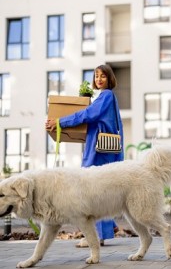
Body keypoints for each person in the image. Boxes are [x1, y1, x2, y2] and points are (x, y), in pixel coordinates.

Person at [45, 64, 124, 247]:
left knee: (94, 191)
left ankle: (98, 236)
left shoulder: (106, 95)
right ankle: (108, 226)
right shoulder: (105, 97)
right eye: (96, 76)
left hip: (99, 151)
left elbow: (89, 114)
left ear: (110, 78)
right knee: (100, 190)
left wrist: (61, 122)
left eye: (103, 76)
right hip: (101, 149)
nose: (99, 79)